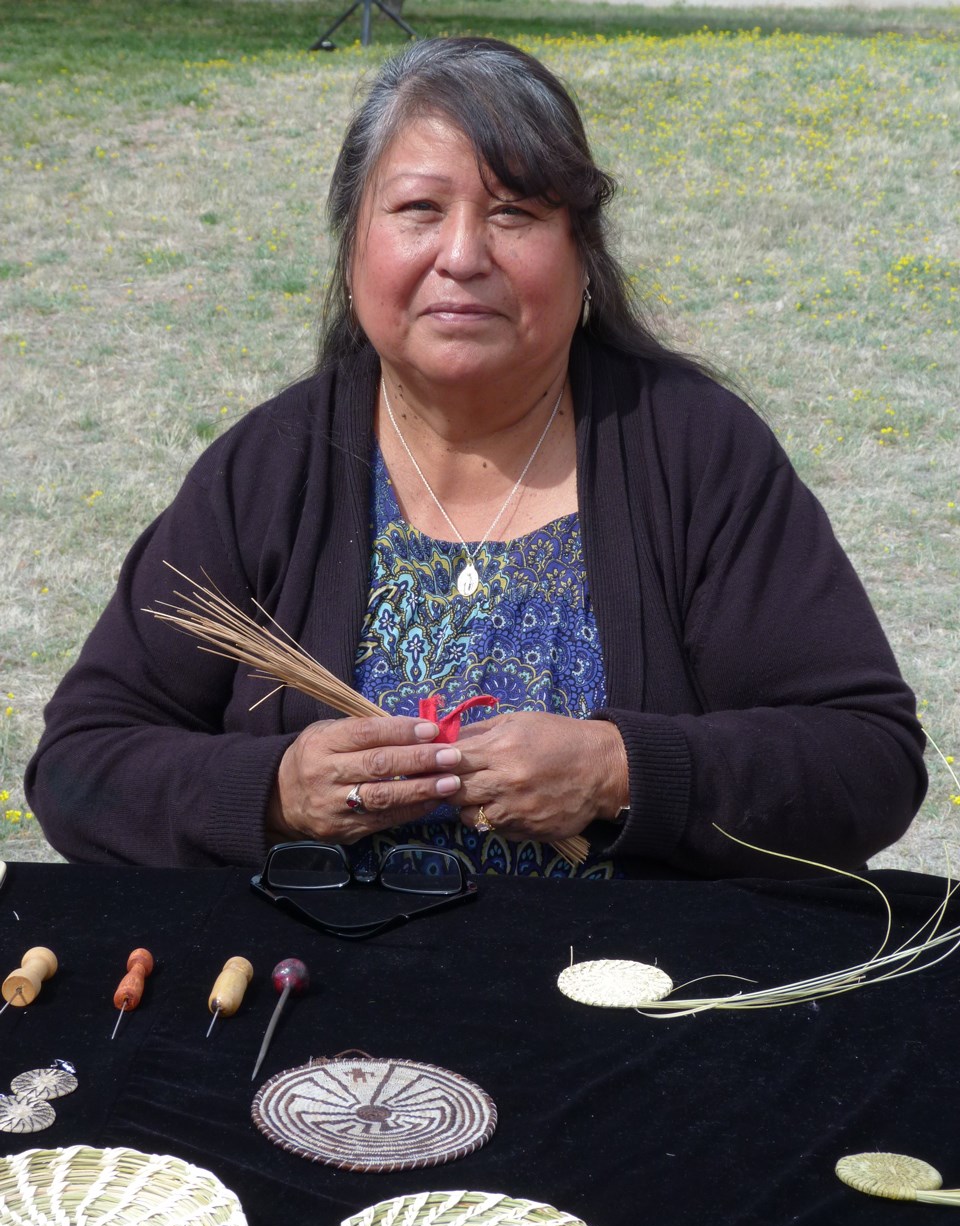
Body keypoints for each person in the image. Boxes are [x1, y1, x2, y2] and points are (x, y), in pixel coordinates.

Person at [26, 37, 925, 878]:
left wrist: (620, 770)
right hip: (320, 1000)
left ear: (583, 258)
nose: (462, 255)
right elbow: (78, 767)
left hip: (633, 1003)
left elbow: (868, 761)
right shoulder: (267, 471)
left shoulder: (693, 453)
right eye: (418, 209)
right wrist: (274, 794)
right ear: (352, 254)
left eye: (514, 213)